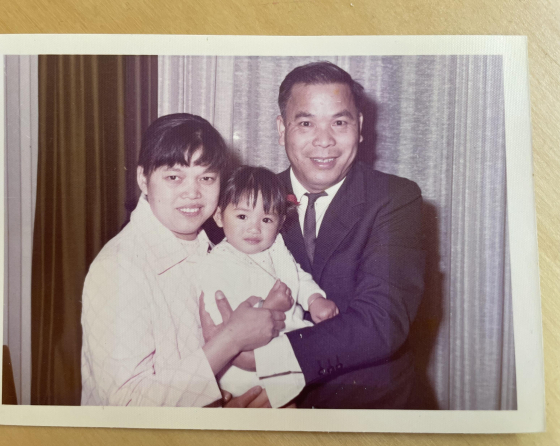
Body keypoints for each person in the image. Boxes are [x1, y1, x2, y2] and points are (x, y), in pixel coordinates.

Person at [202, 61, 426, 409]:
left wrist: (260, 361)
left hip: (369, 409)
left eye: (339, 122)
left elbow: (381, 322)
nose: (325, 141)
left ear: (360, 127)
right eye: (306, 123)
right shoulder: (247, 201)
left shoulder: (395, 198)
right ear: (282, 129)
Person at [80, 113, 286, 407]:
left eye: (206, 178)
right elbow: (125, 403)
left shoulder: (219, 249)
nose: (193, 192)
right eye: (174, 177)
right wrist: (231, 340)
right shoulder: (120, 266)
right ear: (143, 178)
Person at [196, 166, 339, 407]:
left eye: (266, 219)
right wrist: (269, 308)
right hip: (243, 372)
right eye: (242, 216)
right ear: (220, 216)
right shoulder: (216, 264)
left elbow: (296, 276)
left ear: (281, 222)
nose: (254, 228)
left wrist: (314, 299)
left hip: (284, 352)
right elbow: (221, 321)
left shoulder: (276, 249)